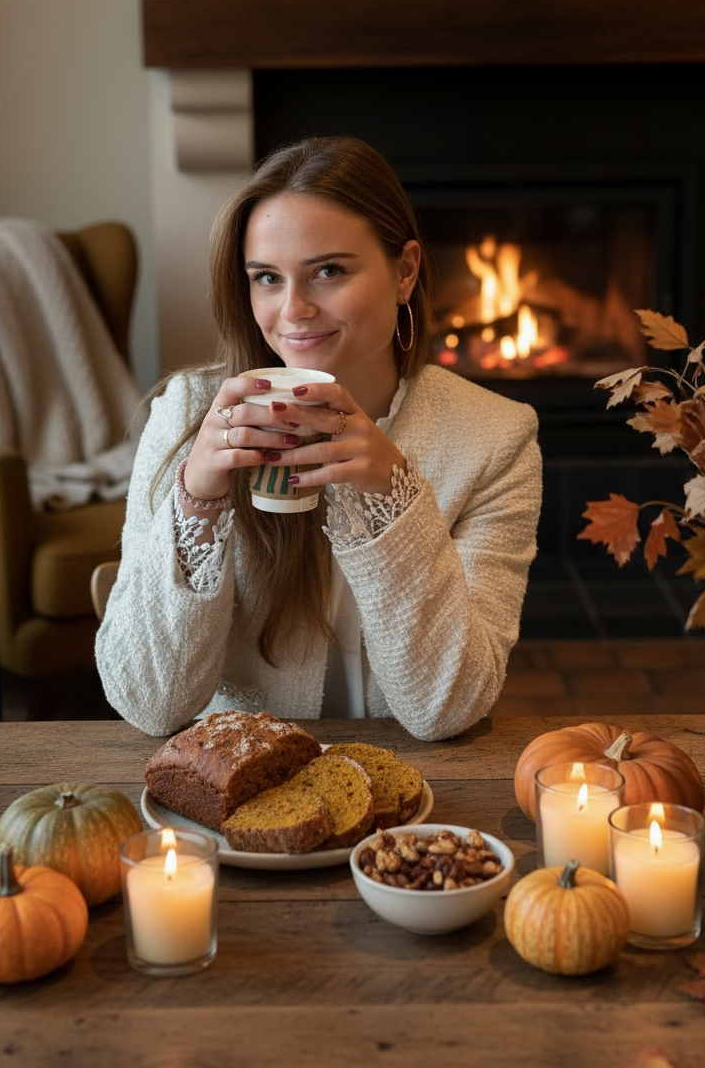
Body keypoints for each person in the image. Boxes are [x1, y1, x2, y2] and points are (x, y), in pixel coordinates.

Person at [96, 135, 542, 740]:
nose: (294, 310)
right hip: (236, 788)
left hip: (407, 792)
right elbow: (149, 703)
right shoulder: (186, 417)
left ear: (405, 271)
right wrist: (198, 499)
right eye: (267, 278)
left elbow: (447, 709)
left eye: (328, 271)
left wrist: (394, 498)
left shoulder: (495, 438)